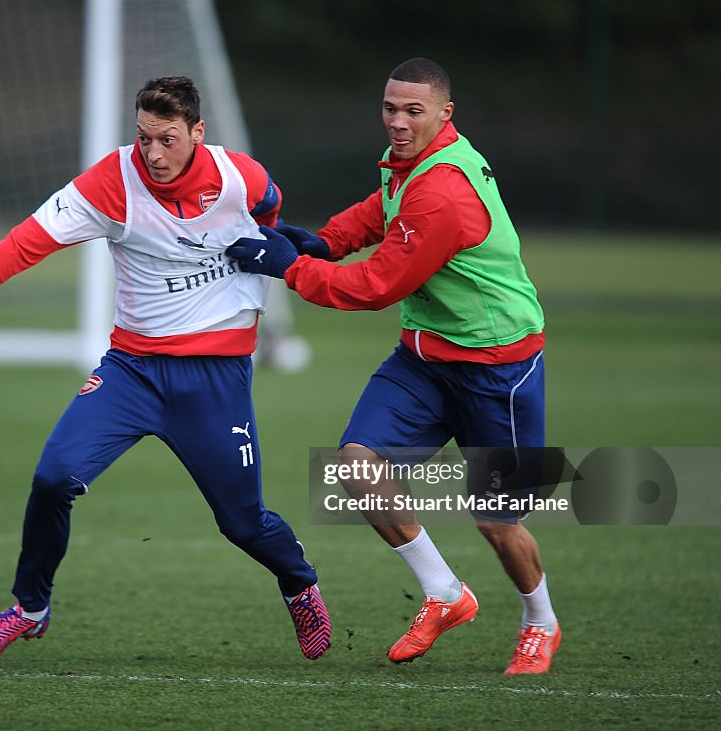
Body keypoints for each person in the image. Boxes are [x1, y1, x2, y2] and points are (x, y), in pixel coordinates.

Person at [0, 76, 331, 662]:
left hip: (216, 381)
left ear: (198, 133)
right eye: (143, 137)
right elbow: (21, 244)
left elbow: (268, 205)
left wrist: (274, 241)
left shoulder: (239, 176)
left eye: (167, 139)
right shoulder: (110, 183)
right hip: (132, 373)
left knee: (243, 524)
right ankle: (28, 608)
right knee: (53, 478)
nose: (152, 153)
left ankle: (299, 584)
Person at [226, 58, 560, 674]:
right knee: (355, 466)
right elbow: (380, 212)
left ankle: (540, 622)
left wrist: (288, 267)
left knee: (498, 522)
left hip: (498, 368)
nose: (398, 121)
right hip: (427, 357)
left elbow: (376, 286)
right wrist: (321, 242)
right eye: (390, 108)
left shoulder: (443, 192)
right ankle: (444, 592)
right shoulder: (409, 165)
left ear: (444, 113)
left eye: (413, 110)